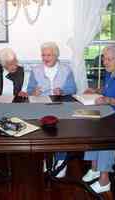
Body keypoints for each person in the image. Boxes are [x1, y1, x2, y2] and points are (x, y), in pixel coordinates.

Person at [82, 45, 115, 193]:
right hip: (112, 111)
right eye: (104, 58)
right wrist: (95, 90)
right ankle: (95, 168)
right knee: (93, 126)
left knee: (106, 134)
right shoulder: (110, 73)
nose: (104, 62)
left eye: (109, 59)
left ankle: (104, 181)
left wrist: (109, 100)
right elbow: (107, 89)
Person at [27, 42, 77, 178]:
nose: (45, 58)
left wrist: (62, 90)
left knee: (61, 132)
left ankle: (61, 160)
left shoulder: (66, 69)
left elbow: (73, 89)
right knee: (45, 132)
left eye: (48, 55)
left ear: (56, 55)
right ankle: (49, 157)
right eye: (43, 55)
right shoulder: (35, 70)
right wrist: (34, 91)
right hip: (42, 105)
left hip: (61, 104)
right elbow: (29, 90)